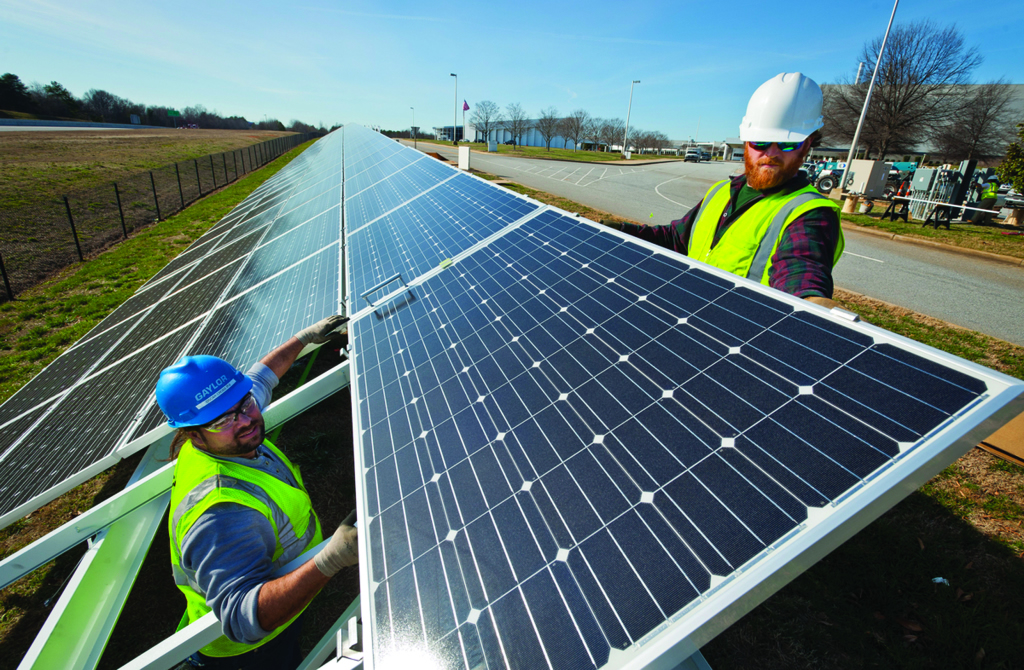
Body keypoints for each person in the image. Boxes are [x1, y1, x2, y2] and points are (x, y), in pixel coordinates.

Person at [156, 315, 355, 670]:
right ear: (192, 434)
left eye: (244, 405)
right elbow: (243, 618)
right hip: (248, 654)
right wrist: (331, 559)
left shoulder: (225, 423)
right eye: (222, 420)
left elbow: (261, 377)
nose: (246, 420)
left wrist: (302, 338)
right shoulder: (220, 512)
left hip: (281, 608)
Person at [614, 73, 843, 308]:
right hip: (687, 310)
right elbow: (677, 239)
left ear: (806, 146)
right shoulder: (722, 191)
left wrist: (813, 304)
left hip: (739, 334)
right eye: (760, 142)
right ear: (746, 141)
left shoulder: (809, 214)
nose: (771, 153)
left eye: (787, 144)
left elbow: (801, 270)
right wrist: (617, 231)